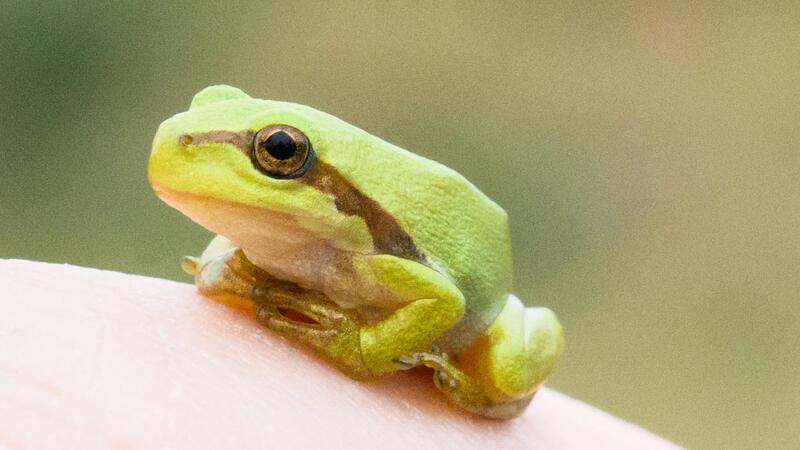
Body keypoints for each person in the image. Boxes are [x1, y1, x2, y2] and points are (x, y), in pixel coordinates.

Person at [0, 259, 678, 449]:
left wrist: (358, 347)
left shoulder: (364, 248)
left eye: (277, 153)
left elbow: (443, 301)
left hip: (480, 318)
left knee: (502, 369)